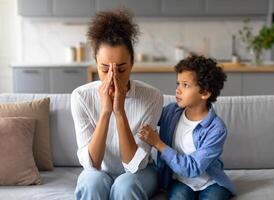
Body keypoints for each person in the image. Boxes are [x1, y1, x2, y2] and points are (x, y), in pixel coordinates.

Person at [71, 9, 163, 200]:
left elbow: (134, 164)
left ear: (132, 63)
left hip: (140, 173)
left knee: (125, 185)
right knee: (91, 182)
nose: (113, 77)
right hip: (98, 171)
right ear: (96, 63)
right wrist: (106, 112)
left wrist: (119, 111)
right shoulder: (81, 96)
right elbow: (92, 164)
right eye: (105, 69)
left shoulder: (152, 97)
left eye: (121, 69)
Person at [138, 55, 236, 200]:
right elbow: (147, 115)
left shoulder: (216, 129)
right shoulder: (171, 112)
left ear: (205, 93)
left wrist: (158, 143)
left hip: (211, 183)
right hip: (181, 182)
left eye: (186, 85)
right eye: (178, 84)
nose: (178, 90)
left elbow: (193, 168)